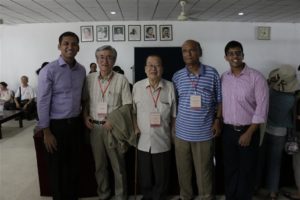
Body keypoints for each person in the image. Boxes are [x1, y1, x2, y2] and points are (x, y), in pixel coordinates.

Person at [37, 31, 86, 200]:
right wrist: (46, 131)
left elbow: (82, 97)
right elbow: (42, 102)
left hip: (76, 124)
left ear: (78, 48)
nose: (69, 47)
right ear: (59, 46)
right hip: (56, 126)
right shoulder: (49, 70)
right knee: (57, 168)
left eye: (73, 44)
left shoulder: (81, 70)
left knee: (74, 166)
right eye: (66, 43)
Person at [172, 40, 222, 200]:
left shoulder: (212, 73)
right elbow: (175, 104)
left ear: (199, 52)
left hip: (204, 133)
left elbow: (220, 100)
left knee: (204, 171)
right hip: (181, 133)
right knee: (183, 171)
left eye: (192, 50)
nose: (188, 54)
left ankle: (206, 197)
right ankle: (185, 196)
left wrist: (217, 120)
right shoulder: (177, 76)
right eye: (184, 51)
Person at [83, 45, 133, 200]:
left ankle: (120, 196)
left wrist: (112, 119)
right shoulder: (89, 79)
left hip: (113, 128)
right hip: (95, 128)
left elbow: (128, 106)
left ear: (114, 60)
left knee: (118, 167)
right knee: (99, 166)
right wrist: (85, 116)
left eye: (109, 57)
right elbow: (85, 101)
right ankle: (103, 194)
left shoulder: (121, 79)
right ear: (97, 60)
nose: (105, 60)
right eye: (101, 57)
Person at [221, 40, 269, 200]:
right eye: (231, 53)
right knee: (230, 169)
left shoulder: (256, 78)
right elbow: (220, 103)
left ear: (243, 55)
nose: (235, 56)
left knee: (247, 170)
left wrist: (249, 133)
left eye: (238, 53)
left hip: (249, 130)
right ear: (226, 57)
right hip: (228, 131)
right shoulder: (223, 78)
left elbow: (262, 109)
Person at [133, 55, 176, 200]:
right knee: (145, 175)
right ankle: (147, 196)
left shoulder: (169, 87)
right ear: (145, 69)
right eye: (150, 65)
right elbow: (132, 112)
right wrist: (135, 127)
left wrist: (173, 135)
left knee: (162, 175)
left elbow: (174, 115)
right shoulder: (137, 87)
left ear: (162, 69)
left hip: (163, 138)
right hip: (143, 140)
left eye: (157, 65)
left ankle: (160, 196)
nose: (153, 68)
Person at [258, 65, 300, 200]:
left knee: (259, 160)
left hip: (264, 130)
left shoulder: (268, 90)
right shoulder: (293, 98)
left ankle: (255, 186)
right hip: (281, 132)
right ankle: (273, 192)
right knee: (275, 163)